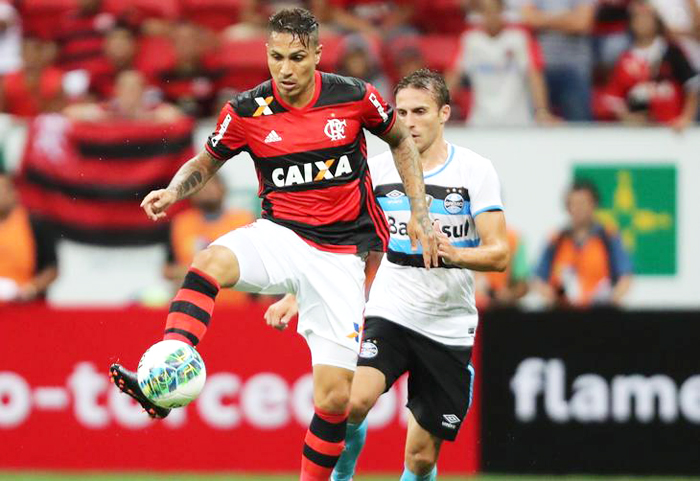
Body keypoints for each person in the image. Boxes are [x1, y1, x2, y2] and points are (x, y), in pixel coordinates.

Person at [109, 8, 436, 481]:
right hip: (281, 235)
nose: (285, 69)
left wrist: (420, 211)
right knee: (208, 261)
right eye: (277, 57)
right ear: (266, 53)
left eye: (297, 58)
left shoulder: (354, 96)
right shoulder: (246, 110)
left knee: (335, 400)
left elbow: (401, 141)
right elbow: (205, 161)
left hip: (340, 256)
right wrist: (174, 190)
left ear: (317, 55)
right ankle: (171, 362)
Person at [265, 69, 509, 481]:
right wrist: (296, 294)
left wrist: (449, 251)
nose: (409, 121)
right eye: (402, 112)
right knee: (350, 401)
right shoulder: (375, 171)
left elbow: (499, 254)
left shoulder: (474, 171)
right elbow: (342, 242)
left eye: (421, 111)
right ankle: (340, 477)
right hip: (390, 308)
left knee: (419, 458)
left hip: (448, 325)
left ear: (444, 113)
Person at [446, 0, 558, 126]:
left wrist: (541, 110)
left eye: (494, 11)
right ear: (479, 14)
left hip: (518, 122)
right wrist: (439, 109)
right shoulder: (470, 40)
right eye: (486, 11)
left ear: (502, 11)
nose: (491, 16)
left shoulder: (519, 38)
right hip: (480, 122)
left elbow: (534, 75)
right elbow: (453, 76)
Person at [602, 0, 700, 130]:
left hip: (673, 131)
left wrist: (686, 118)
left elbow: (692, 85)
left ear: (656, 20)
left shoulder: (671, 51)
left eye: (647, 16)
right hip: (640, 134)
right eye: (637, 17)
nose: (642, 22)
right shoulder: (624, 58)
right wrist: (627, 116)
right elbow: (613, 99)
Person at [534, 180, 633, 308]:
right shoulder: (556, 239)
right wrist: (551, 298)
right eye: (573, 204)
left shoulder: (609, 237)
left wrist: (612, 301)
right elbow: (538, 278)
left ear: (594, 204)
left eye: (582, 203)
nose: (578, 209)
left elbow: (625, 276)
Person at [165, 174, 255, 305]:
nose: (206, 189)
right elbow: (167, 270)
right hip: (192, 307)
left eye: (212, 184)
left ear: (222, 188)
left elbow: (257, 266)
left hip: (237, 308)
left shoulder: (243, 221)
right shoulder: (181, 223)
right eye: (201, 186)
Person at [520, 0, 597, 121]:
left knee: (581, 130)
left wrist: (540, 18)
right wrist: (567, 17)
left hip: (574, 68)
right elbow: (526, 18)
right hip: (538, 70)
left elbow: (581, 23)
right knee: (534, 127)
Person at [0, 172, 58, 303]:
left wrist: (31, 289)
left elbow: (52, 268)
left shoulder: (36, 224)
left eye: (2, 190)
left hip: (25, 304)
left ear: (14, 194)